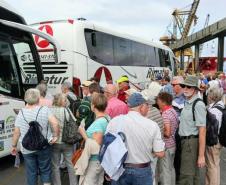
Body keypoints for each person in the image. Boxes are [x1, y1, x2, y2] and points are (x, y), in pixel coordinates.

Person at [108, 93, 165, 185]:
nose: (148, 108)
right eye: (147, 105)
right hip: (142, 170)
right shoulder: (152, 125)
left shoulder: (114, 121)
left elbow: (108, 147)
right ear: (141, 107)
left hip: (119, 169)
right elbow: (160, 153)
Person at [11, 88, 59, 185]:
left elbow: (16, 132)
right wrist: (55, 136)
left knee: (31, 172)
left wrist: (14, 146)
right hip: (43, 146)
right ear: (38, 99)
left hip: (27, 148)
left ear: (25, 99)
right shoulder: (45, 110)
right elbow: (55, 123)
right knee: (45, 170)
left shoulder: (21, 113)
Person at [178, 75, 206, 185]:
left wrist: (201, 156)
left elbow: (202, 131)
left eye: (188, 87)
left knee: (186, 176)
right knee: (191, 175)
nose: (185, 89)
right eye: (184, 86)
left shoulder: (198, 104)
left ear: (195, 89)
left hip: (191, 142)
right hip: (187, 142)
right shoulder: (188, 101)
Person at [78, 93, 109, 185]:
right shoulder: (107, 118)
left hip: (94, 161)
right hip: (100, 160)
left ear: (94, 106)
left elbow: (96, 145)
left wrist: (83, 133)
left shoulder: (99, 123)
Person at [50, 93, 78, 185]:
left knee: (55, 166)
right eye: (65, 100)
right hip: (67, 141)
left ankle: (57, 183)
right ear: (61, 101)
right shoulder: (66, 110)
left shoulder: (49, 110)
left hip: (54, 141)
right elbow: (74, 122)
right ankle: (73, 183)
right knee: (70, 164)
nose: (66, 101)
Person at [157, 92, 178, 185]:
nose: (157, 103)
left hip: (167, 145)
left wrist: (159, 132)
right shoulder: (173, 111)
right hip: (173, 144)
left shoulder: (165, 114)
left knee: (165, 171)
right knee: (171, 168)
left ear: (163, 102)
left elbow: (168, 133)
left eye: (158, 101)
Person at [205, 87, 224, 185]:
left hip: (213, 141)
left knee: (211, 166)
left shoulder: (213, 110)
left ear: (212, 96)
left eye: (208, 94)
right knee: (215, 165)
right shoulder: (222, 106)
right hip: (219, 140)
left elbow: (211, 128)